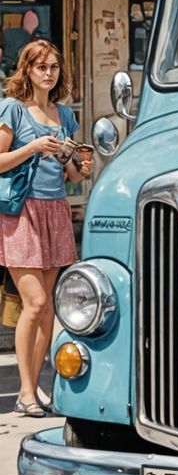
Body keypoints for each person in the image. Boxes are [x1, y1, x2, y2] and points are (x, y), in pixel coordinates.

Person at [0, 39, 92, 417]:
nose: (48, 73)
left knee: (48, 308)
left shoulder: (65, 114)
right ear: (27, 70)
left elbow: (70, 173)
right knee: (34, 302)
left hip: (55, 209)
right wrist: (33, 147)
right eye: (41, 67)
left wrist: (80, 168)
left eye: (53, 67)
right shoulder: (13, 109)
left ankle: (33, 388)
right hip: (21, 212)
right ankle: (25, 392)